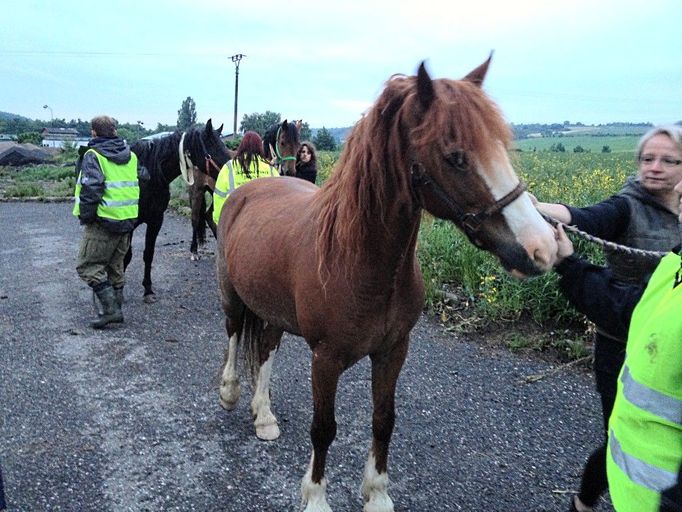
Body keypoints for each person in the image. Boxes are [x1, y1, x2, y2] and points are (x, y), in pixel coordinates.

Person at [534, 125, 682, 512]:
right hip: (621, 342)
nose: (655, 168)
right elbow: (585, 218)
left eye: (669, 160)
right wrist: (533, 209)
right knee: (621, 439)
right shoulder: (627, 204)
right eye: (647, 159)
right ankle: (583, 503)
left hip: (670, 351)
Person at [73, 115, 147, 329]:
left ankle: (111, 310)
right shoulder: (131, 156)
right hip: (126, 221)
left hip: (103, 222)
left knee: (87, 266)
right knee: (115, 266)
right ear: (114, 131)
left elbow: (91, 189)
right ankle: (117, 307)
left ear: (94, 132)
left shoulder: (93, 155)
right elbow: (139, 180)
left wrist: (86, 216)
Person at [212, 131, 277, 225]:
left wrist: (221, 224)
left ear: (241, 146)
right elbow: (278, 202)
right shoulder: (271, 170)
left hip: (235, 225)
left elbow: (219, 198)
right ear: (260, 147)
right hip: (263, 227)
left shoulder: (228, 168)